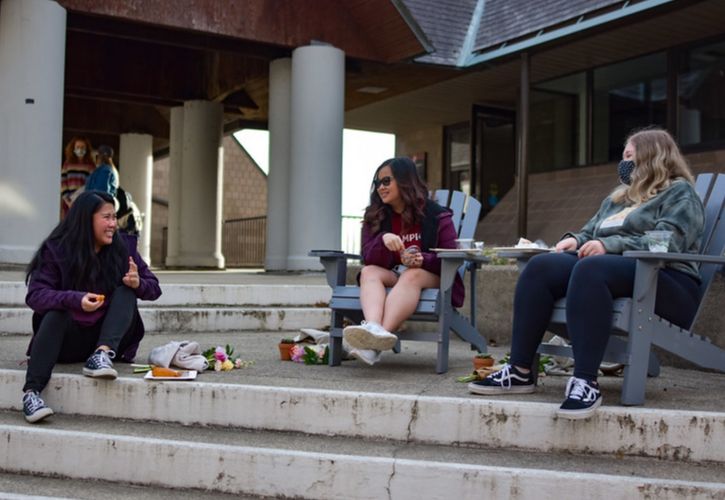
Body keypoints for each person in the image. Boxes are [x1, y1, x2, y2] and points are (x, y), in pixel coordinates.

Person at [468, 128, 705, 419]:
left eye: (629, 156)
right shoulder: (619, 198)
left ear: (651, 156)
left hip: (667, 283)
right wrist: (576, 240)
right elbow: (590, 232)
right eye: (623, 157)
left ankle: (585, 382)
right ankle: (520, 370)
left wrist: (608, 245)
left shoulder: (679, 193)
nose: (624, 163)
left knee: (591, 269)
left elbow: (667, 242)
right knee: (541, 267)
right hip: (615, 273)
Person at [22, 190, 161, 423]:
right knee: (56, 312)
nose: (113, 224)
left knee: (127, 290)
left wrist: (139, 283)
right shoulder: (57, 249)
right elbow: (36, 296)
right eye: (106, 217)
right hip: (68, 340)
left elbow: (154, 288)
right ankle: (31, 394)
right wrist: (75, 300)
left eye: (114, 217)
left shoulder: (123, 249)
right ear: (86, 220)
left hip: (108, 339)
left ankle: (101, 355)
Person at [342, 157, 463, 365]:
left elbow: (451, 255)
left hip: (432, 277)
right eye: (378, 183)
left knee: (412, 274)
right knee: (369, 271)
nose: (381, 187)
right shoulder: (375, 217)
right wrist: (382, 239)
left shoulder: (436, 216)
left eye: (386, 181)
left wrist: (421, 260)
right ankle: (373, 327)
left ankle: (374, 342)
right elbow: (368, 258)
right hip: (395, 275)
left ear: (404, 181)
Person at [60, 137, 95, 218]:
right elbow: (63, 182)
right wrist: (68, 200)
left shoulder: (90, 165)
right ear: (73, 148)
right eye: (78, 147)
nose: (80, 149)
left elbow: (92, 183)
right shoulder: (67, 164)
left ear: (86, 149)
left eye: (82, 147)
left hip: (84, 202)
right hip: (68, 202)